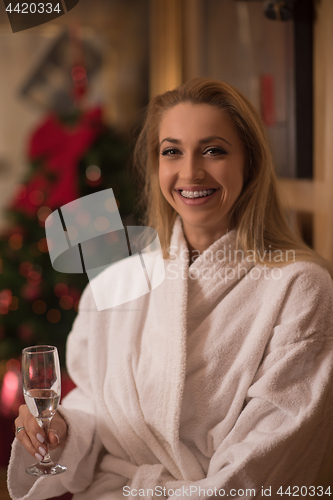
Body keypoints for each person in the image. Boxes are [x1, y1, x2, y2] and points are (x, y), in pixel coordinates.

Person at [8, 78, 333, 500]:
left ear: (249, 163)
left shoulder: (299, 288)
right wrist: (60, 428)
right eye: (172, 151)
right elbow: (95, 404)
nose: (190, 172)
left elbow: (265, 462)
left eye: (214, 150)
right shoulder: (117, 281)